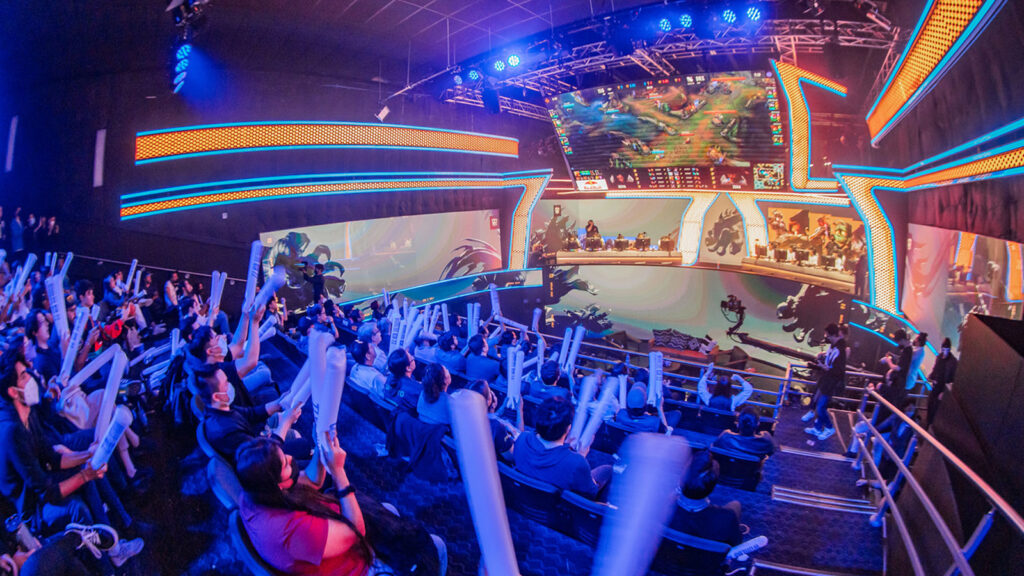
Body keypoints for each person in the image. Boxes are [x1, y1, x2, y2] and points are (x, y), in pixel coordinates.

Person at [235, 436, 373, 576]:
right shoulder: (292, 531)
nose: (290, 458)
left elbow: (312, 482)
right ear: (278, 485)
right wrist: (338, 472)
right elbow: (357, 532)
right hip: (352, 566)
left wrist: (321, 445)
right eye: (285, 464)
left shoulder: (253, 492)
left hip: (328, 523)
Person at [193, 363, 301, 465]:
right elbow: (263, 454)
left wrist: (278, 403)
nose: (230, 385)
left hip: (257, 442)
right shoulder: (227, 430)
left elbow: (251, 414)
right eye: (226, 383)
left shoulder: (219, 408)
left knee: (288, 426)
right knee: (301, 443)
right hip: (261, 461)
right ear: (216, 396)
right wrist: (286, 422)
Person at [512, 396, 611, 500]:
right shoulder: (577, 463)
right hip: (555, 510)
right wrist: (581, 456)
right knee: (608, 470)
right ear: (568, 428)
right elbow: (591, 493)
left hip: (524, 499)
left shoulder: (522, 439)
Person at [669, 450, 742, 546]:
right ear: (713, 486)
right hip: (702, 560)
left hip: (662, 556)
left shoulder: (656, 507)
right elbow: (735, 543)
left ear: (681, 480)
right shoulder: (727, 518)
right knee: (736, 505)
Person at [805, 323, 846, 441]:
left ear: (833, 335)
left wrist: (824, 367)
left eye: (827, 335)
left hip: (831, 382)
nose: (826, 337)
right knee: (818, 402)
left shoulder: (840, 349)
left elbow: (838, 370)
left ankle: (829, 427)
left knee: (821, 407)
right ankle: (818, 428)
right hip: (826, 379)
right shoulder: (834, 347)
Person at [465, 379, 522, 461]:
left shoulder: (463, 417)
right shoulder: (496, 427)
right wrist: (520, 411)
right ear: (488, 401)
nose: (492, 392)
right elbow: (512, 457)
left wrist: (499, 411)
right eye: (489, 390)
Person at [926, 337, 957, 428]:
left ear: (949, 348)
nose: (944, 351)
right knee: (930, 404)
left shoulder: (953, 362)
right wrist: (931, 376)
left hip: (943, 388)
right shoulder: (939, 357)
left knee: (936, 408)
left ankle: (931, 426)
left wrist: (944, 392)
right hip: (936, 385)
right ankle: (928, 424)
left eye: (946, 348)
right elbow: (935, 369)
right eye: (943, 348)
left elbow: (952, 379)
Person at [384, 349, 420, 414]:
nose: (413, 357)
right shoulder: (417, 389)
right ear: (408, 368)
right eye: (412, 358)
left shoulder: (390, 377)